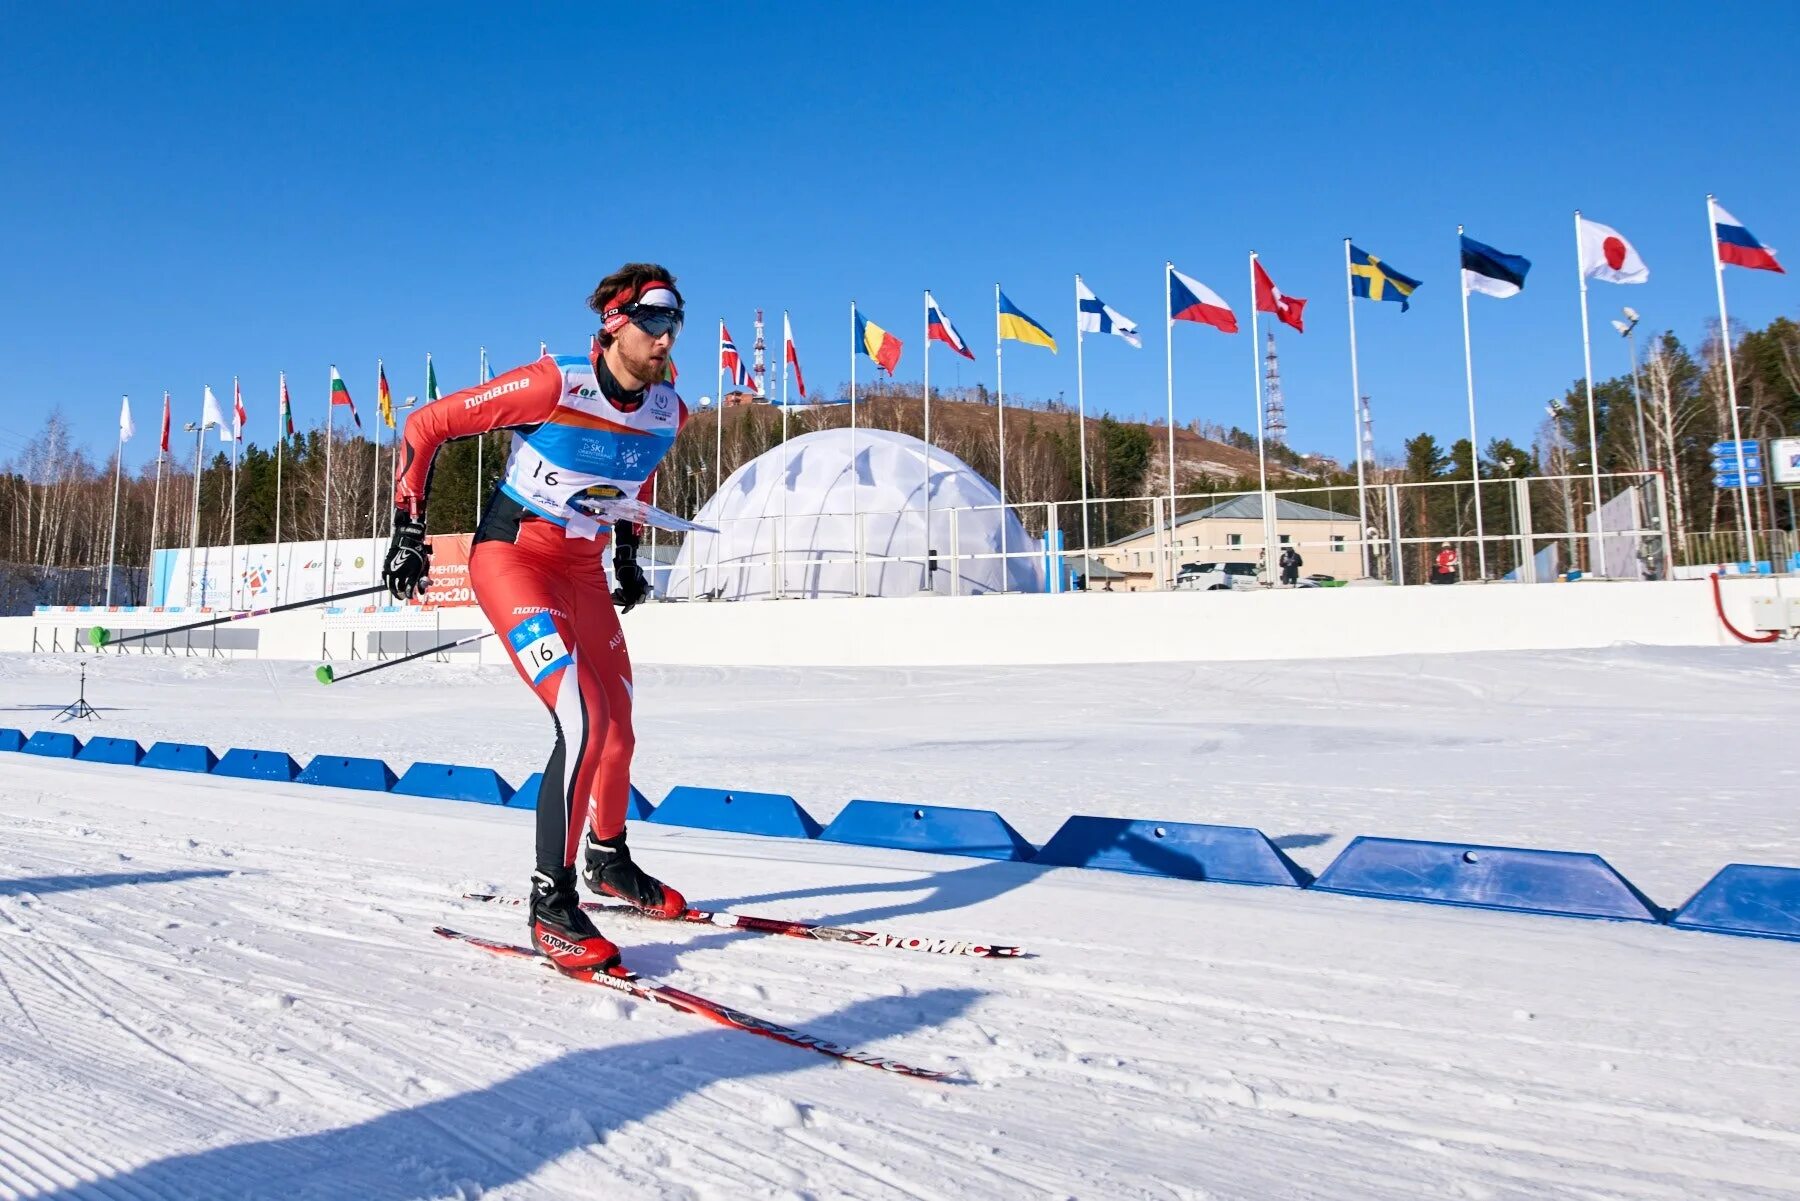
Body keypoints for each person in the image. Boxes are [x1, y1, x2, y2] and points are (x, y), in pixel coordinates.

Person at [382, 263, 691, 972]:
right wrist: (408, 528)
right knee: (580, 718)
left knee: (620, 726)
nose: (665, 337)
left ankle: (607, 859)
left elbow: (636, 471)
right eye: (652, 321)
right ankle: (550, 904)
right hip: (515, 558)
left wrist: (627, 553)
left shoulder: (669, 411)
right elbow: (426, 425)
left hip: (581, 569)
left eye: (674, 323)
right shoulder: (553, 383)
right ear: (614, 323)